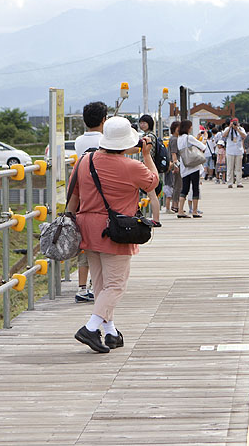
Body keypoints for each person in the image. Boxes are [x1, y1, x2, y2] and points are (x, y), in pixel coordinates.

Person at [67, 116, 159, 353]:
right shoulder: (133, 166)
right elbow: (153, 182)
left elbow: (73, 193)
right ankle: (90, 327)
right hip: (115, 230)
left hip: (87, 228)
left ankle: (110, 333)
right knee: (116, 285)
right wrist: (147, 154)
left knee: (100, 285)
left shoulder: (84, 161)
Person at [71, 101, 108, 303]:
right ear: (104, 119)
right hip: (102, 197)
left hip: (82, 196)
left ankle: (81, 287)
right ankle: (97, 285)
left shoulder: (78, 141)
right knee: (100, 243)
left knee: (84, 243)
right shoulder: (106, 140)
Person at [177, 119, 206, 218]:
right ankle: (194, 211)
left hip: (184, 166)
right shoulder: (189, 137)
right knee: (195, 188)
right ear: (187, 127)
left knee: (184, 188)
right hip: (193, 166)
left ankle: (180, 210)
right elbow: (202, 146)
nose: (191, 128)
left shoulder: (179, 138)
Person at [137, 114, 162, 227]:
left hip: (148, 168)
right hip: (151, 167)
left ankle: (156, 219)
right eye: (141, 123)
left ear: (149, 124)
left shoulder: (149, 137)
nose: (142, 125)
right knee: (152, 194)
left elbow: (148, 154)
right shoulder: (149, 135)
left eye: (144, 123)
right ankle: (154, 218)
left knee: (152, 195)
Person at [221, 117, 246, 188]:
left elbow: (244, 136)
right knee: (230, 168)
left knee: (238, 168)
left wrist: (237, 129)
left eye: (236, 123)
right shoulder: (227, 129)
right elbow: (224, 135)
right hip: (230, 151)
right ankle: (229, 182)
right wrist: (229, 127)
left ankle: (239, 182)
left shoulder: (241, 129)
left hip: (238, 151)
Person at [167, 121, 182, 213]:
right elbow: (173, 153)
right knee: (178, 185)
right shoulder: (174, 139)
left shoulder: (174, 138)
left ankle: (176, 204)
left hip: (176, 164)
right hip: (176, 164)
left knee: (177, 184)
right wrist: (176, 166)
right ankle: (175, 205)